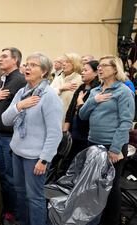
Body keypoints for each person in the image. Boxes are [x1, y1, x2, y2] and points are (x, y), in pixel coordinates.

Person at [2, 53, 63, 225]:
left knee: (35, 198)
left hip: (36, 157)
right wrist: (19, 106)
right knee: (20, 193)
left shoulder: (49, 96)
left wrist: (44, 159)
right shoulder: (22, 93)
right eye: (27, 64)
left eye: (33, 65)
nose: (27, 68)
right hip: (17, 152)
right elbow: (6, 119)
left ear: (44, 72)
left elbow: (55, 133)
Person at [79, 55, 135, 225]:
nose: (100, 69)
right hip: (94, 143)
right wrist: (93, 101)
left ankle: (112, 221)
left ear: (115, 69)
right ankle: (97, 219)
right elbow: (82, 115)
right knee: (95, 185)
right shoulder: (95, 91)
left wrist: (115, 149)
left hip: (113, 145)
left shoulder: (123, 91)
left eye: (104, 66)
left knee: (111, 187)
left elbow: (126, 122)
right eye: (99, 66)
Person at [0, 47, 26, 223]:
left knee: (11, 178)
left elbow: (13, 109)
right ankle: (5, 208)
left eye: (4, 56)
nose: (0, 59)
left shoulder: (18, 80)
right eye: (0, 56)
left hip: (10, 136)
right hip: (0, 135)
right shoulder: (3, 81)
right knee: (1, 175)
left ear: (15, 60)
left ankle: (14, 213)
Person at [62, 60, 100, 173]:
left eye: (86, 70)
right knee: (68, 158)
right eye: (82, 70)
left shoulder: (97, 90)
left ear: (95, 73)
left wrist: (80, 102)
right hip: (74, 129)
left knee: (80, 161)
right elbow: (70, 110)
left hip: (86, 131)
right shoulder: (81, 87)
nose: (82, 73)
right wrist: (65, 130)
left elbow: (87, 113)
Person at [50, 53, 83, 122]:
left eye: (67, 62)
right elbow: (48, 95)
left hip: (71, 120)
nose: (64, 64)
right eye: (63, 62)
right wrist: (60, 88)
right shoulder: (58, 79)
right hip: (55, 117)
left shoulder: (80, 80)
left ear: (75, 64)